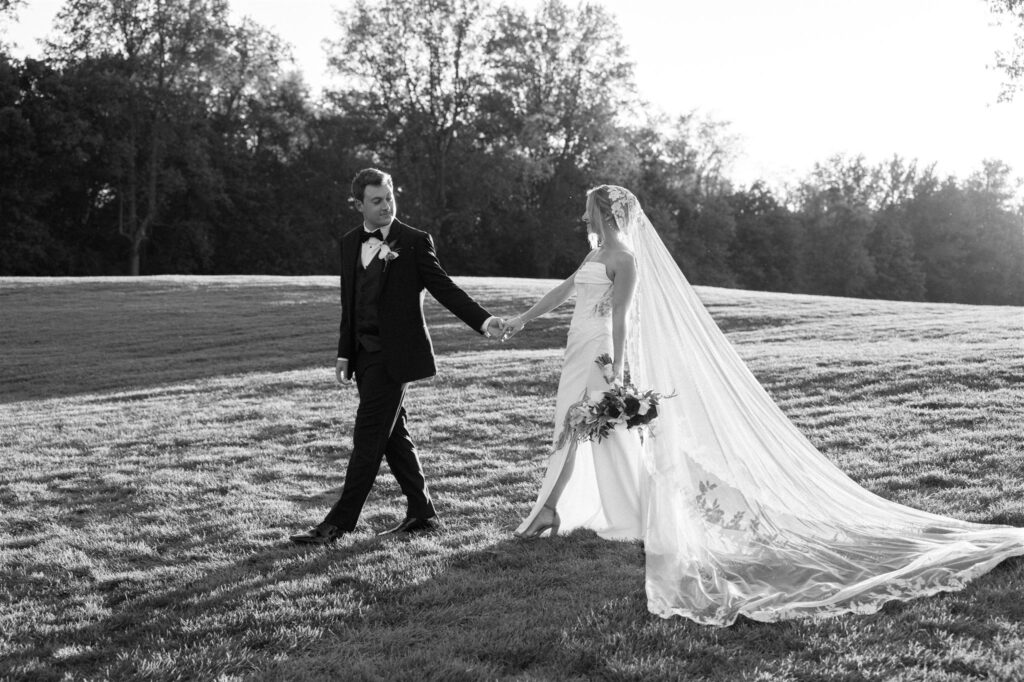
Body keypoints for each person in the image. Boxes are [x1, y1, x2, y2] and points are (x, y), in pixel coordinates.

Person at [503, 184, 1024, 626]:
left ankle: (555, 508)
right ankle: (598, 507)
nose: (583, 216)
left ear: (607, 213)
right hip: (577, 346)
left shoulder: (625, 259)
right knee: (580, 426)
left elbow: (621, 316)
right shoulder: (594, 255)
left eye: (589, 209)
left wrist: (615, 365)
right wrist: (523, 318)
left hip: (598, 352)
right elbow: (565, 290)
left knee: (577, 425)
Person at [291, 168, 505, 545]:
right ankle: (422, 514)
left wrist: (484, 321)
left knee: (368, 436)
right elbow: (350, 304)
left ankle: (339, 523)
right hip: (364, 355)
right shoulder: (348, 242)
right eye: (376, 201)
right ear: (358, 204)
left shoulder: (414, 241)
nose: (386, 206)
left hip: (397, 357)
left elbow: (445, 289)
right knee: (394, 435)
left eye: (389, 197)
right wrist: (344, 353)